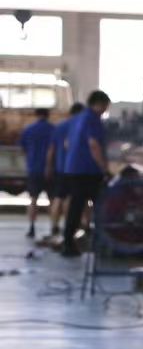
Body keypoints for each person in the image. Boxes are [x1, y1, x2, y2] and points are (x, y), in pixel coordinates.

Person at [58, 90, 111, 258]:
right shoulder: (92, 119)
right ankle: (102, 243)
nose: (105, 110)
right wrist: (105, 169)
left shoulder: (75, 119)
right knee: (102, 205)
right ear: (99, 103)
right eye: (105, 106)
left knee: (76, 206)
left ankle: (68, 242)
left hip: (73, 169)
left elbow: (67, 143)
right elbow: (93, 144)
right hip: (88, 170)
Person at [39, 102, 84, 246]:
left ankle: (54, 226)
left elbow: (51, 149)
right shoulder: (80, 126)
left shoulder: (59, 127)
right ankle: (71, 226)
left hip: (60, 168)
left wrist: (48, 167)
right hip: (76, 168)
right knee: (72, 199)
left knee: (58, 198)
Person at [17, 107, 56, 239]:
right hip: (50, 170)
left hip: (34, 169)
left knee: (33, 199)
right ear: (48, 115)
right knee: (52, 200)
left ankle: (32, 227)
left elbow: (22, 146)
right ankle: (54, 226)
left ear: (36, 115)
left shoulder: (28, 129)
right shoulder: (53, 129)